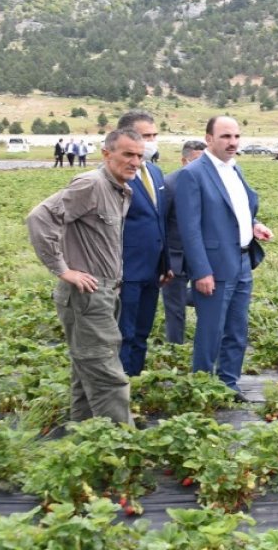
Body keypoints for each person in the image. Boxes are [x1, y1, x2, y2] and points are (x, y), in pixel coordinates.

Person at [25, 128, 144, 426]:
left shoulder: (121, 189)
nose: (135, 162)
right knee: (107, 375)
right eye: (128, 154)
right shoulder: (91, 185)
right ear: (107, 153)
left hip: (105, 292)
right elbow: (39, 217)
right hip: (87, 295)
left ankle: (83, 437)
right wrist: (63, 270)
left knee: (86, 371)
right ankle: (120, 449)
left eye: (139, 156)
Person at [175, 116, 275, 400]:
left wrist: (254, 225)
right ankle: (203, 388)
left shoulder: (234, 169)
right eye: (225, 137)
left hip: (242, 261)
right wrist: (201, 271)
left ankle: (228, 384)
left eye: (236, 136)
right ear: (208, 139)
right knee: (210, 332)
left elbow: (235, 211)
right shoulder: (193, 174)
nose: (232, 142)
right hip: (214, 267)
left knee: (237, 329)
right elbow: (190, 229)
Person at [115, 111, 171, 376]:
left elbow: (160, 221)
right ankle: (118, 388)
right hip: (124, 270)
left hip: (152, 269)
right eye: (145, 136)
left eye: (154, 135)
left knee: (141, 331)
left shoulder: (156, 173)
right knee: (122, 333)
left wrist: (166, 263)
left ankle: (133, 380)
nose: (151, 141)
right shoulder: (114, 177)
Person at [161, 140, 206, 344]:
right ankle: (175, 348)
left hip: (202, 256)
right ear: (183, 160)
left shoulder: (210, 183)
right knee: (175, 309)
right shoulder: (169, 184)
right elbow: (160, 223)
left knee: (208, 297)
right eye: (195, 161)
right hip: (175, 256)